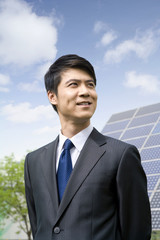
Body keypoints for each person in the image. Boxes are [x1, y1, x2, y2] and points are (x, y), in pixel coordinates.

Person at [24, 54, 151, 240]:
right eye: (74, 84)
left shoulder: (121, 155)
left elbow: (137, 232)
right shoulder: (33, 161)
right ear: (52, 96)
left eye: (90, 84)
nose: (86, 91)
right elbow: (39, 227)